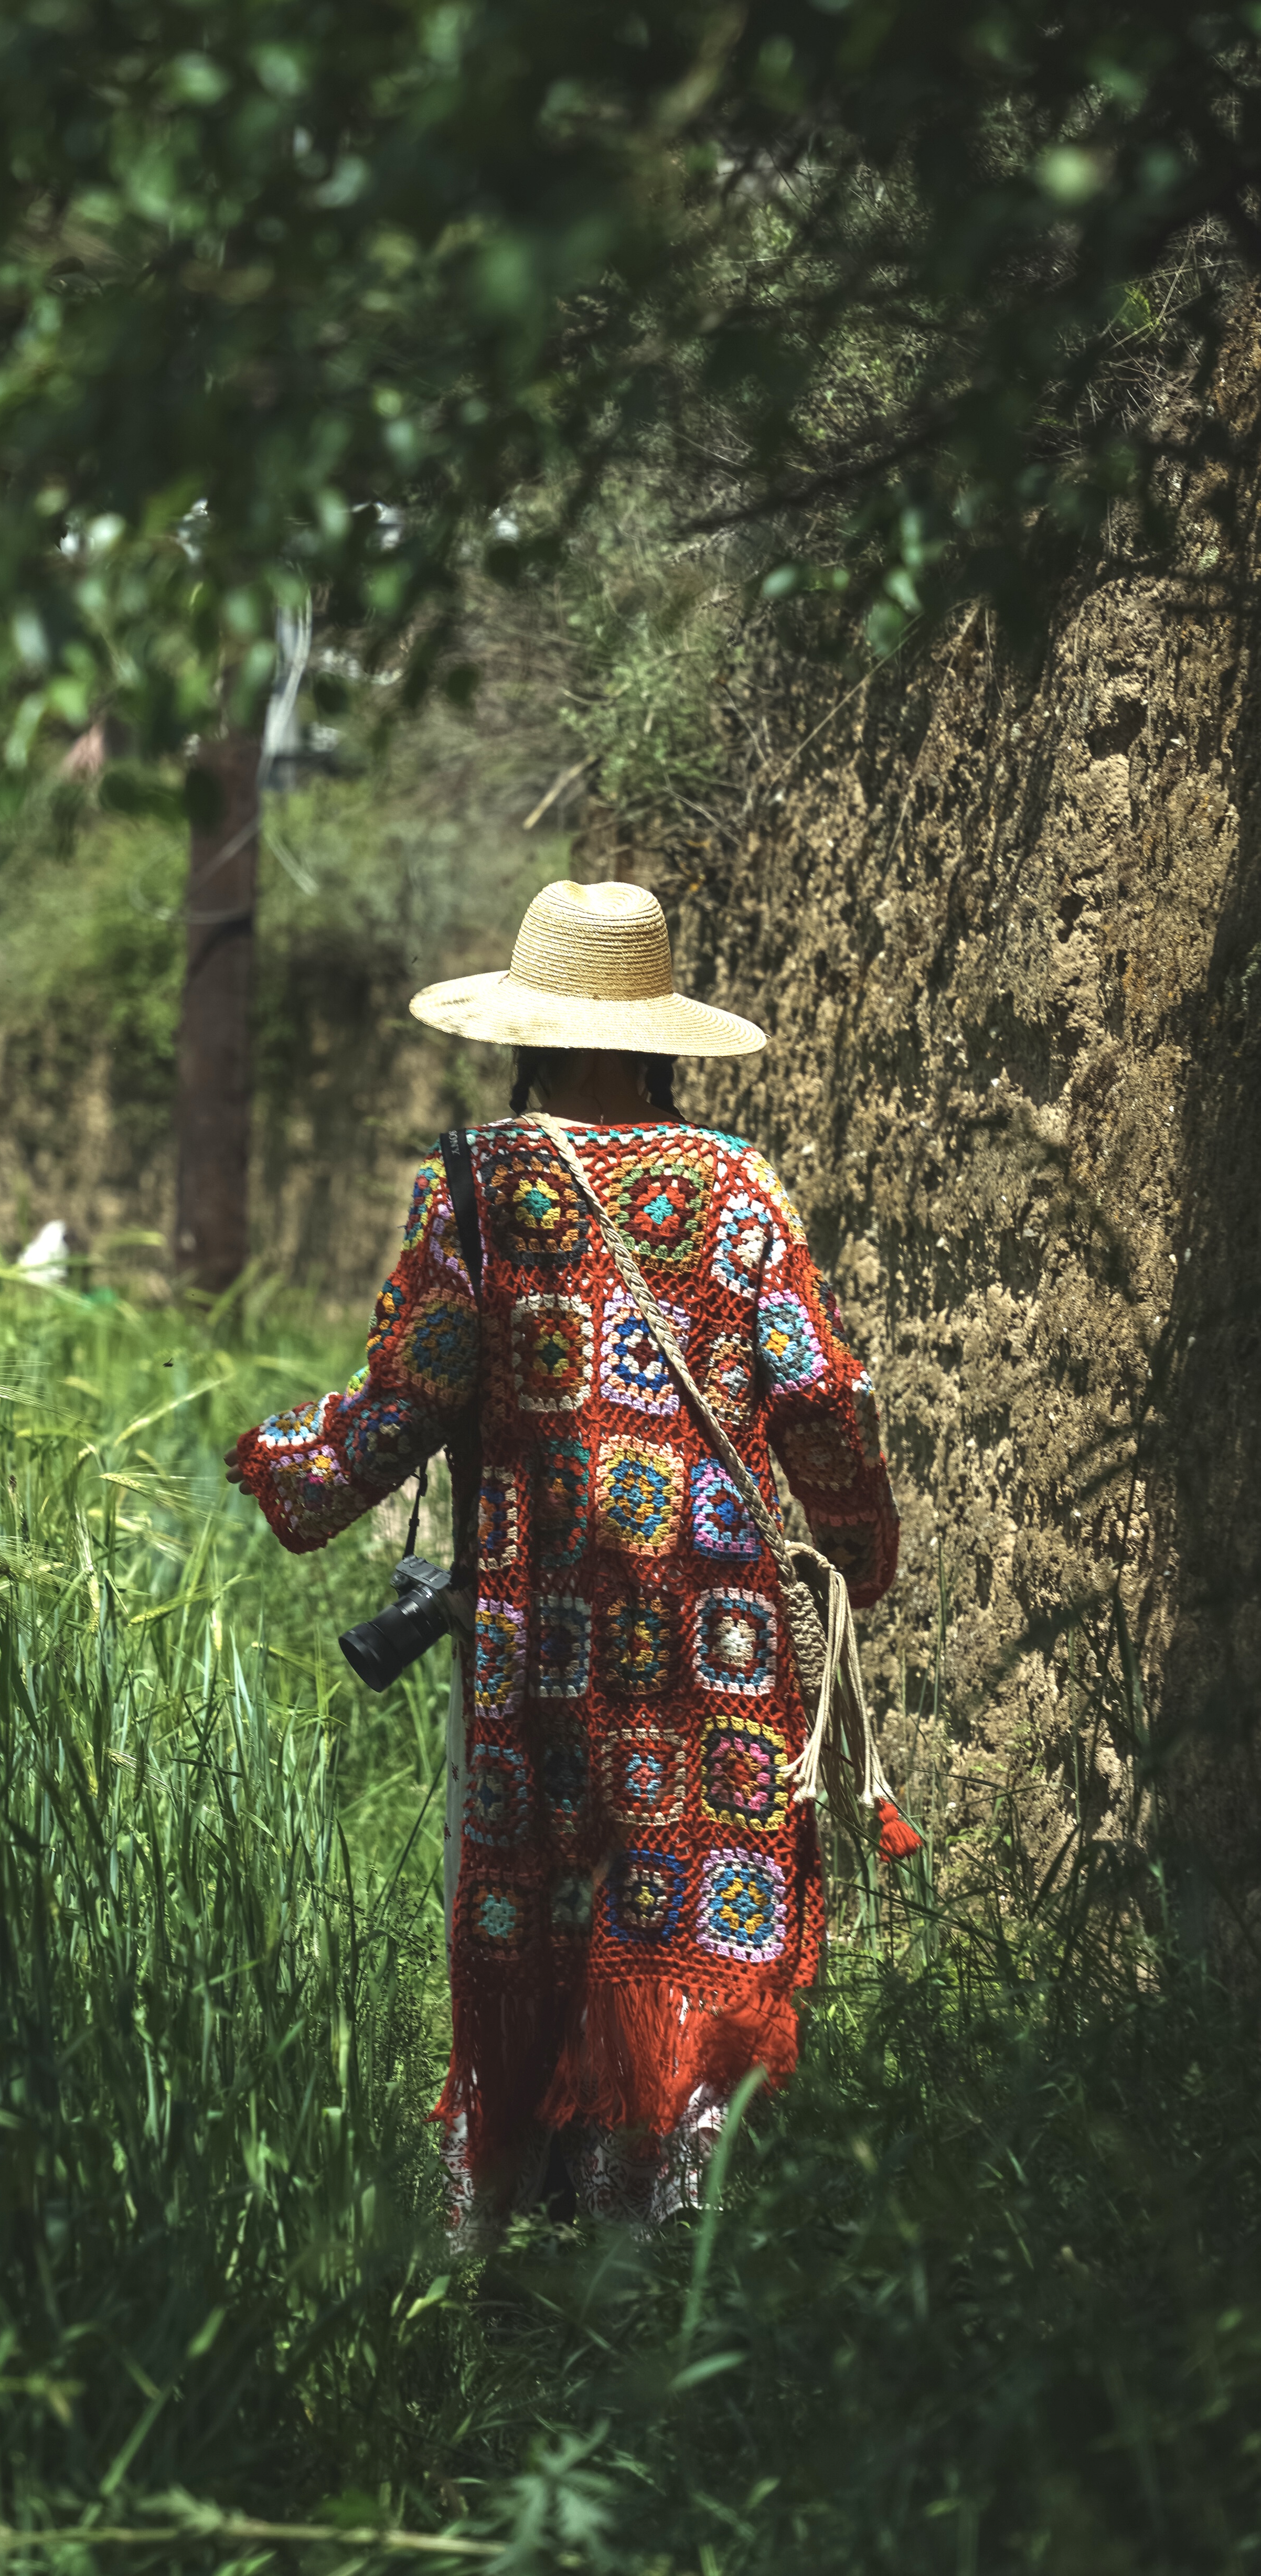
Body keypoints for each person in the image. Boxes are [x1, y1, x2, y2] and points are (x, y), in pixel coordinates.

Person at [227, 878, 901, 2240]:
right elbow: (820, 1396)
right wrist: (857, 1544)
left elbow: (412, 1394)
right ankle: (667, 2243)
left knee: (544, 1906)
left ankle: (511, 2236)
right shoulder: (740, 1186)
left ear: (524, 1030)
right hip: (710, 1652)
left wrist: (286, 1465)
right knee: (685, 1921)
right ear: (659, 1035)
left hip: (537, 1643)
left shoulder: (475, 1185)